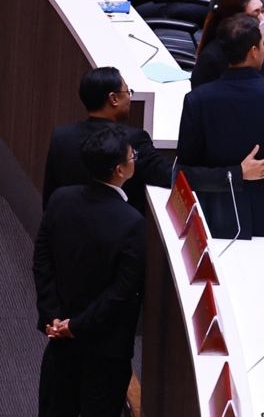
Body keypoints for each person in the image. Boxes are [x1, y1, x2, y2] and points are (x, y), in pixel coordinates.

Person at [34, 125, 146, 417]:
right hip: (105, 348)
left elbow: (42, 261)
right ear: (120, 170)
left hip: (58, 337)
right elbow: (122, 290)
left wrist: (52, 316)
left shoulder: (60, 199)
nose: (134, 158)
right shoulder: (132, 222)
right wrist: (78, 326)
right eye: (132, 155)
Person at [176, 13, 264, 252]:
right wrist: (238, 174)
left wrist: (230, 175)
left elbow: (185, 172)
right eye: (262, 44)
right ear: (254, 51)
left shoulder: (197, 99)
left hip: (218, 218)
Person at [43, 67, 172, 215]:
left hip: (67, 224)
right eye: (127, 92)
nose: (129, 98)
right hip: (118, 225)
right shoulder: (132, 139)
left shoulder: (61, 136)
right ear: (113, 99)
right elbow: (168, 174)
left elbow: (49, 197)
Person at [190, 0, 264, 89]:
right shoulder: (211, 58)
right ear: (236, 21)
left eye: (262, 11)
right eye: (255, 14)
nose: (262, 19)